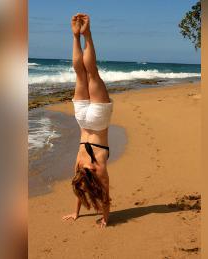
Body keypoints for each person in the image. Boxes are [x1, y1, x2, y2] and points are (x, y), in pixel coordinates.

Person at [61, 13, 113, 228]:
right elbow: (78, 188)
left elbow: (106, 197)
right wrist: (75, 212)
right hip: (82, 120)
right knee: (81, 75)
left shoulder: (97, 169)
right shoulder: (79, 166)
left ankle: (87, 35)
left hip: (98, 122)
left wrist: (106, 218)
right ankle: (75, 36)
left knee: (92, 73)